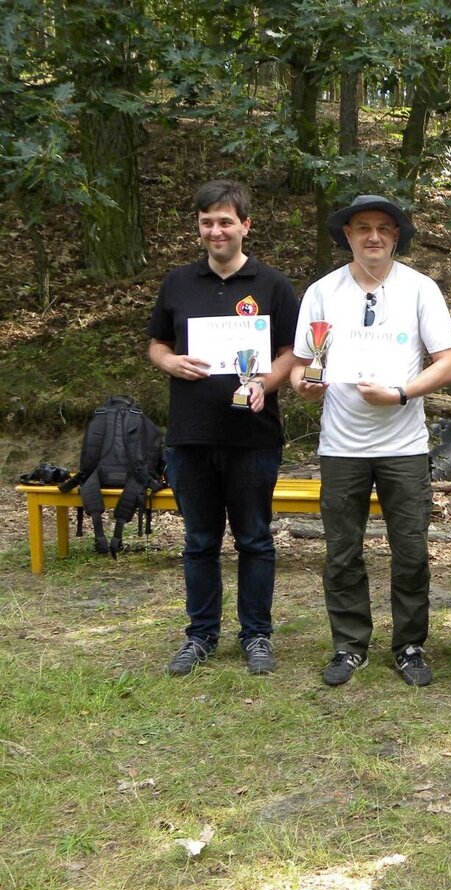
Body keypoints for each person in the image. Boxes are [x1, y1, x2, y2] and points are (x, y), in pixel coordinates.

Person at [291, 195, 451, 688]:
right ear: (347, 235)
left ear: (396, 236)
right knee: (342, 551)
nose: (373, 237)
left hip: (404, 446)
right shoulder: (322, 292)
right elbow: (302, 366)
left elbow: (448, 362)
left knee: (411, 551)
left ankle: (409, 646)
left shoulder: (420, 289)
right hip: (341, 446)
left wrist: (402, 393)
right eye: (362, 227)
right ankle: (349, 645)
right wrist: (305, 385)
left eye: (384, 228)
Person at [147, 179, 300, 676]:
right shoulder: (177, 283)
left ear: (245, 226)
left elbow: (291, 353)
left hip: (253, 438)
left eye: (226, 222)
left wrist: (265, 384)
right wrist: (170, 362)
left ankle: (256, 635)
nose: (216, 231)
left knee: (254, 539)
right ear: (198, 226)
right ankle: (200, 636)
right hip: (189, 436)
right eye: (207, 222)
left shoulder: (272, 285)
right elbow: (156, 344)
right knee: (199, 542)